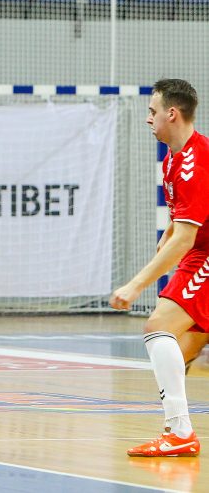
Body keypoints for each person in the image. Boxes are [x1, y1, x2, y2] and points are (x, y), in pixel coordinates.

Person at [109, 78, 209, 457]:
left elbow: (187, 239)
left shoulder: (192, 163)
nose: (148, 119)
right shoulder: (173, 160)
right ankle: (177, 431)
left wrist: (135, 286)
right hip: (201, 251)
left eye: (152, 112)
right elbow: (186, 218)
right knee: (178, 352)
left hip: (205, 255)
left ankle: (181, 433)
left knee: (157, 328)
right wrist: (169, 229)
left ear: (172, 113)